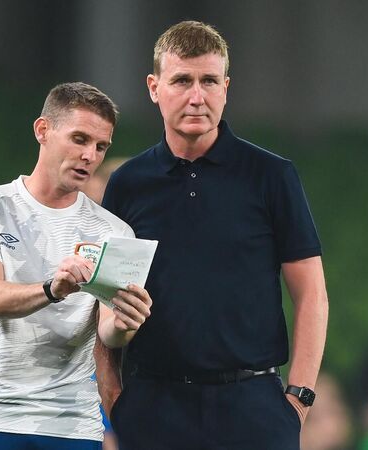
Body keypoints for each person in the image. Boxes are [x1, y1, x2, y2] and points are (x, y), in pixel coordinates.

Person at [101, 21, 329, 449]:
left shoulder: (271, 175)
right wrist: (112, 396)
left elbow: (312, 293)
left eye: (208, 81)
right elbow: (104, 297)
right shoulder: (128, 183)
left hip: (253, 408)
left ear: (225, 88)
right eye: (181, 81)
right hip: (153, 408)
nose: (196, 96)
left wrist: (299, 398)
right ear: (154, 88)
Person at [0, 82, 153, 450]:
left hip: (70, 424)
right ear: (43, 130)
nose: (89, 155)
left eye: (100, 146)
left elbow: (108, 332)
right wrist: (51, 289)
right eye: (79, 139)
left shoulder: (115, 231)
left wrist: (125, 322)